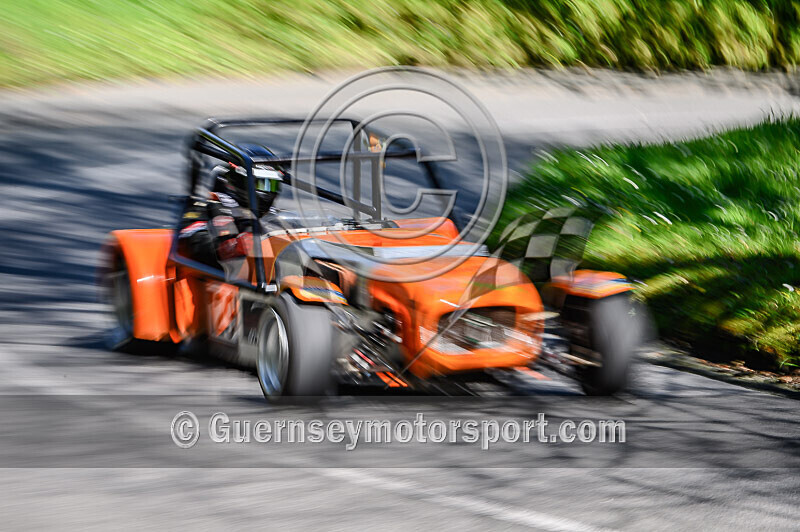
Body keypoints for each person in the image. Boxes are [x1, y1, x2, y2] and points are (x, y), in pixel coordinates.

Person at [178, 162, 283, 270]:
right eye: (262, 184)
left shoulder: (276, 217)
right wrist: (231, 248)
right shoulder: (208, 206)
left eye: (273, 185)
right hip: (215, 278)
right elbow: (193, 240)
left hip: (268, 280)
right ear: (239, 181)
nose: (268, 191)